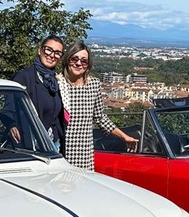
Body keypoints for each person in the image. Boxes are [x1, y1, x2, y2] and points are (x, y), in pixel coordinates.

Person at [58, 41, 136, 170]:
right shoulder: (57, 83)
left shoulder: (94, 84)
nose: (78, 63)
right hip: (59, 150)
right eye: (74, 59)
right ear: (67, 60)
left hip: (83, 154)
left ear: (88, 65)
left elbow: (100, 118)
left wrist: (125, 137)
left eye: (84, 61)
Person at [7, 35, 66, 149]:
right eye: (48, 49)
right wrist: (12, 125)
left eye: (57, 53)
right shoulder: (24, 77)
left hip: (52, 146)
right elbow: (9, 109)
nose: (52, 55)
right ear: (40, 50)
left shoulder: (55, 82)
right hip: (29, 146)